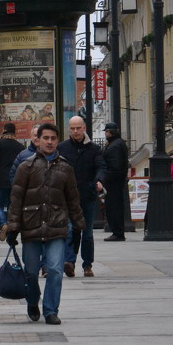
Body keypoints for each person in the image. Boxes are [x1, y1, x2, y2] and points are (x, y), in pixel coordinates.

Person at [5, 122, 85, 326]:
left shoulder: (65, 168)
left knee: (55, 270)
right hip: (31, 225)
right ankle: (33, 302)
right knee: (31, 272)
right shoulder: (26, 166)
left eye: (53, 138)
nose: (49, 142)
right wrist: (13, 227)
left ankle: (51, 310)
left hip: (56, 225)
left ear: (58, 141)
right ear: (38, 140)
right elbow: (17, 198)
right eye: (46, 138)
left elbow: (73, 198)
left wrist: (78, 224)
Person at [57, 115, 106, 278]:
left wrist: (98, 180)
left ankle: (87, 265)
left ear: (84, 128)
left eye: (78, 128)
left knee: (87, 232)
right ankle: (69, 262)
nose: (76, 131)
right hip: (68, 197)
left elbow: (101, 166)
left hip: (87, 195)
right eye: (72, 128)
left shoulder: (93, 148)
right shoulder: (62, 148)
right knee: (71, 230)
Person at [0, 122, 23, 230]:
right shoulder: (20, 146)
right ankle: (9, 224)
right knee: (10, 205)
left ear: (4, 130)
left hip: (0, 180)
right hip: (14, 180)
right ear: (14, 132)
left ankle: (3, 224)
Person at [101, 122, 129, 241]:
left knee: (113, 207)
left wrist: (105, 178)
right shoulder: (118, 143)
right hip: (116, 181)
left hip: (113, 182)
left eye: (106, 132)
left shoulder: (114, 146)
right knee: (115, 206)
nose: (106, 134)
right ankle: (117, 231)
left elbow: (115, 166)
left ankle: (117, 232)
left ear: (109, 132)